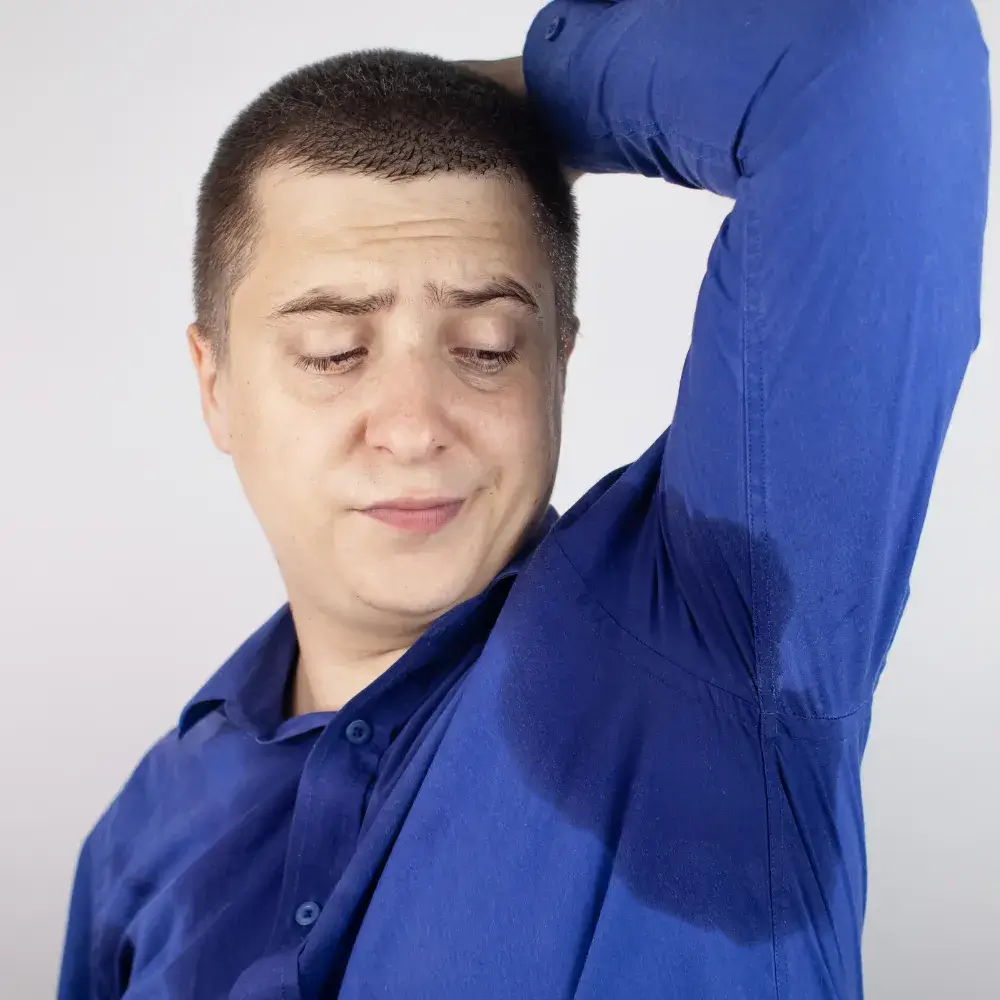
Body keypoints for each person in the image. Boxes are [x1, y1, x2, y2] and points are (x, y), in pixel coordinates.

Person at [57, 1, 990, 998]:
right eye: (336, 353)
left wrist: (513, 97)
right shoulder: (139, 835)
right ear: (216, 385)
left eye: (487, 350)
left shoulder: (713, 632)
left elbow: (870, 63)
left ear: (558, 365)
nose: (414, 425)